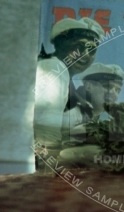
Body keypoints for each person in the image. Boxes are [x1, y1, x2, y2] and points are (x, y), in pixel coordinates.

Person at [33, 17, 103, 151]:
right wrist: (51, 157)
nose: (85, 55)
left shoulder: (62, 73)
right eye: (79, 47)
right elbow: (47, 132)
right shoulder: (53, 67)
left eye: (92, 50)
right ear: (61, 45)